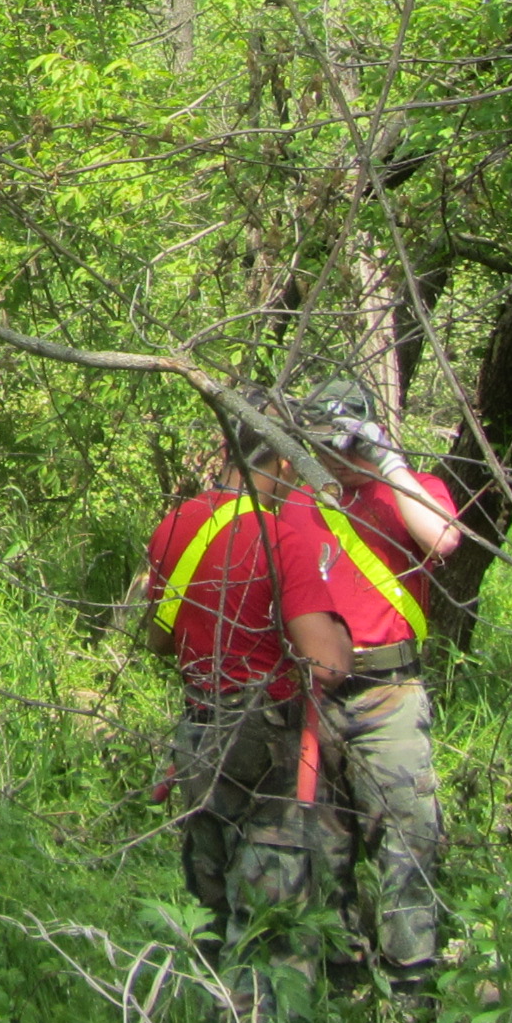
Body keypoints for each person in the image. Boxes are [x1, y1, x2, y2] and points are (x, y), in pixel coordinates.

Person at [274, 376, 464, 999]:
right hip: (316, 697)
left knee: (408, 843)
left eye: (344, 441)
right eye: (323, 443)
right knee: (324, 850)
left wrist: (387, 462)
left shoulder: (407, 492)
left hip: (390, 694)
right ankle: (343, 984)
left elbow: (444, 538)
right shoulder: (297, 502)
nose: (335, 456)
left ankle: (411, 986)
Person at [135, 413, 308, 965]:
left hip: (200, 725)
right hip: (266, 730)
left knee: (209, 884)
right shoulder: (280, 536)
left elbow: (159, 642)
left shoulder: (173, 525)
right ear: (280, 461)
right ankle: (259, 1013)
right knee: (269, 895)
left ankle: (209, 1010)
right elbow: (323, 662)